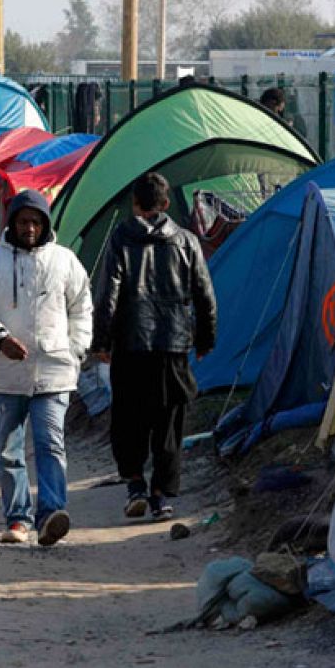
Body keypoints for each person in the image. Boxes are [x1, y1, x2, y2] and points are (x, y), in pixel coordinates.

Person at [0, 190, 92, 546]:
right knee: (8, 449)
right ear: (13, 223)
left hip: (54, 370)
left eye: (36, 222)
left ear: (45, 223)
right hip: (7, 375)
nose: (30, 228)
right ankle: (18, 519)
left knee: (50, 442)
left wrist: (77, 349)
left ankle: (51, 514)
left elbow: (82, 307)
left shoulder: (65, 261)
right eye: (23, 221)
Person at [91, 173, 216, 521]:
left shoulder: (120, 238)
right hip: (173, 344)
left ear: (135, 204)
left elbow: (107, 296)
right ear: (164, 204)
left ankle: (134, 482)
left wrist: (102, 341)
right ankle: (161, 496)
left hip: (130, 345)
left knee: (128, 418)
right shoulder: (187, 241)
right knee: (169, 421)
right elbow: (205, 295)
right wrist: (205, 338)